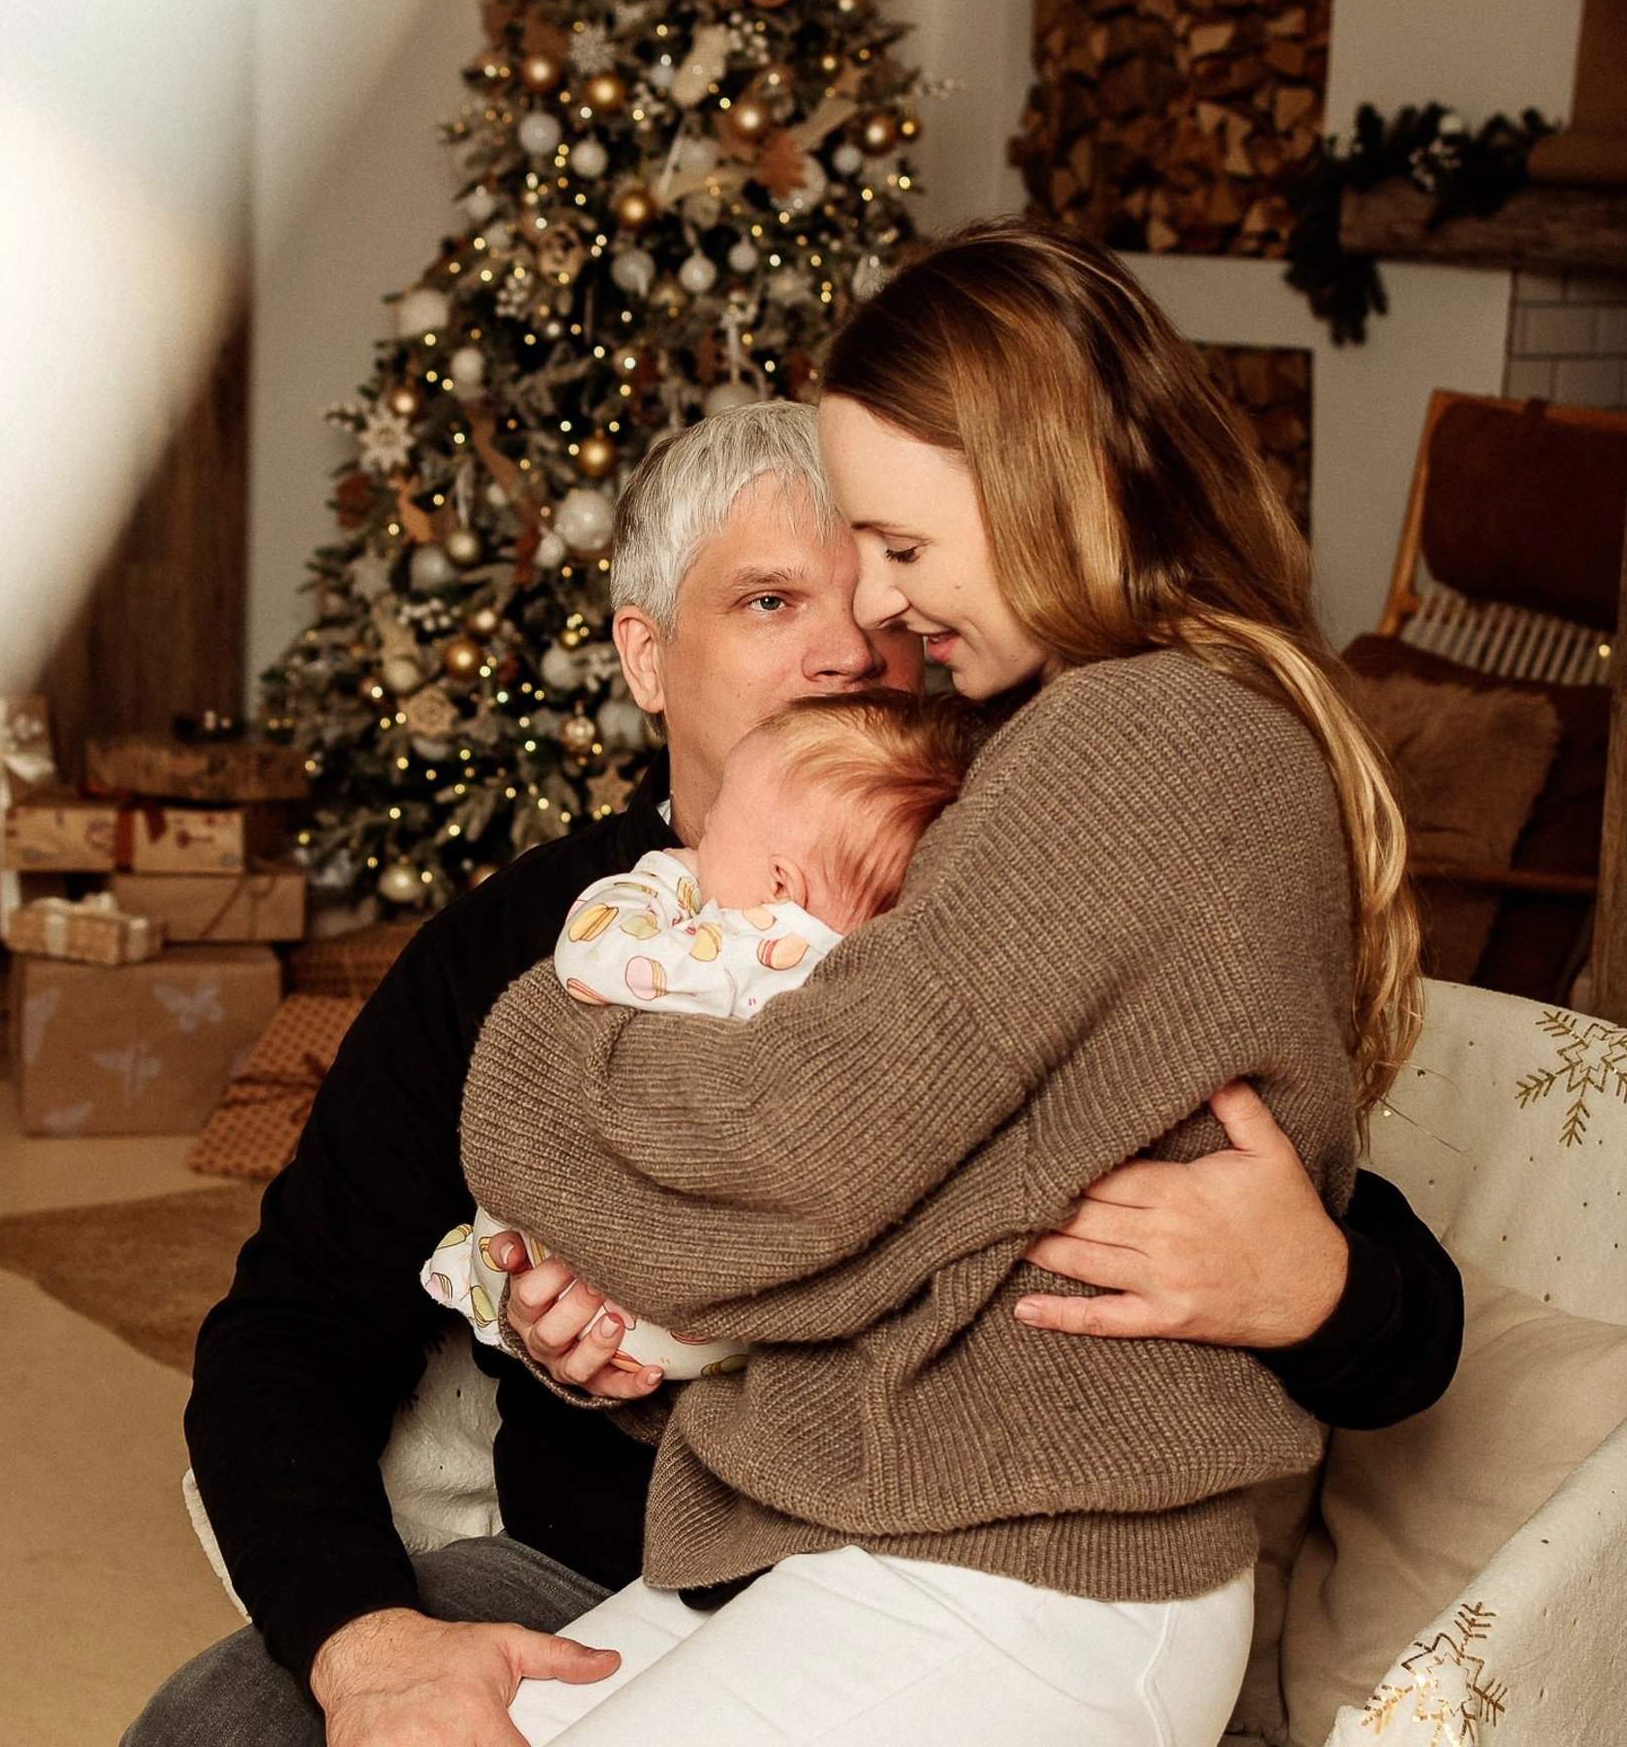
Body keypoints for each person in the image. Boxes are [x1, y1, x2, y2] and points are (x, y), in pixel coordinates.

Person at [126, 398, 1462, 1747]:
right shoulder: (533, 946)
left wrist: (1327, 1289)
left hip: (959, 1570)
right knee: (225, 1722)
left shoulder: (995, 888)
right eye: (770, 602)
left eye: (883, 593)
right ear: (646, 656)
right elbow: (291, 1325)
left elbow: (1330, 1226)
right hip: (612, 1573)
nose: (849, 647)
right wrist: (366, 1636)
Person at [456, 220, 1432, 1746]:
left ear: (1047, 481)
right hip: (888, 1534)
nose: (878, 606)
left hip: (1026, 1576)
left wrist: (534, 1042)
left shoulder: (1143, 742)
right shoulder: (1098, 736)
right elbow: (902, 1209)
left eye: (901, 550)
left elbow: (794, 1161)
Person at [422, 690, 981, 1382]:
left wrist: (661, 879)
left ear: (780, 887)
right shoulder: (869, 983)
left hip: (623, 1308)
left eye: (716, 833)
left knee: (501, 1233)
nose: (696, 843)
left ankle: (476, 1276)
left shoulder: (751, 948)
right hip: (727, 1340)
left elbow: (591, 958)